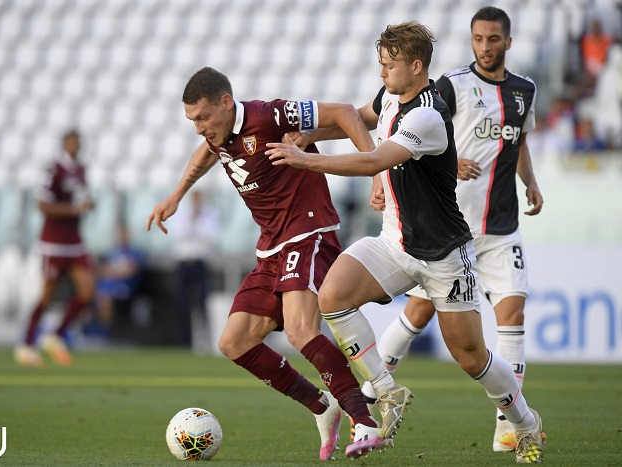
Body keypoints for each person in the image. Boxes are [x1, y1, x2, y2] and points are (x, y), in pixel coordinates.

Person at [266, 20, 546, 464]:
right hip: (395, 243)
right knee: (333, 296)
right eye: (380, 65)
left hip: (444, 256)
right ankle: (386, 391)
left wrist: (306, 162)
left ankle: (526, 424)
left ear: (416, 67)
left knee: (471, 358)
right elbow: (359, 118)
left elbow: (376, 158)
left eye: (388, 66)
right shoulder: (393, 97)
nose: (381, 74)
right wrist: (311, 136)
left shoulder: (428, 116)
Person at [147, 67, 410, 460]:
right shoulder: (217, 135)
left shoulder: (268, 115)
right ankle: (323, 406)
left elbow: (341, 113)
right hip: (271, 244)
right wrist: (177, 194)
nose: (199, 128)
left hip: (307, 230)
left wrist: (375, 168)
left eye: (202, 117)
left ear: (225, 102)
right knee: (234, 342)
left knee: (302, 330)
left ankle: (364, 417)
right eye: (192, 121)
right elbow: (207, 153)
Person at [346, 6, 545, 455]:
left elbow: (517, 139)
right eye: (478, 38)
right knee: (413, 315)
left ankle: (512, 425)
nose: (486, 46)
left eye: (494, 39)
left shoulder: (523, 91)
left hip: (494, 228)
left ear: (507, 42)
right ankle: (380, 391)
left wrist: (530, 181)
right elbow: (421, 132)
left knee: (500, 327)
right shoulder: (451, 85)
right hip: (438, 224)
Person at [14, 130, 95, 367]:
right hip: (54, 243)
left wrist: (89, 205)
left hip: (75, 241)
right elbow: (42, 205)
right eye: (72, 143)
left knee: (87, 292)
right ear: (64, 144)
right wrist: (74, 210)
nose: (75, 147)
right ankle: (26, 345)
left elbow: (80, 199)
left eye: (78, 143)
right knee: (48, 295)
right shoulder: (54, 169)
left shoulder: (81, 170)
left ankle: (54, 336)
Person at [169, 189, 220, 348]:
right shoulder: (181, 212)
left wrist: (196, 227)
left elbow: (212, 237)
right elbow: (178, 234)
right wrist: (193, 222)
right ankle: (184, 341)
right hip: (184, 263)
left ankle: (204, 341)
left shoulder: (210, 213)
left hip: (200, 263)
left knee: (203, 302)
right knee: (182, 303)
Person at [92, 222, 146, 337]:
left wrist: (115, 272)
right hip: (108, 285)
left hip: (126, 287)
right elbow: (105, 269)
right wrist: (115, 271)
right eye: (120, 234)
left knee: (106, 297)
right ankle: (93, 330)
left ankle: (106, 333)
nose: (122, 236)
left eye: (124, 234)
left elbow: (132, 270)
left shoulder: (135, 252)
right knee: (93, 294)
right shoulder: (114, 252)